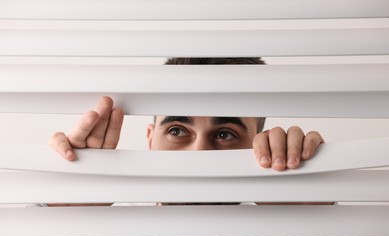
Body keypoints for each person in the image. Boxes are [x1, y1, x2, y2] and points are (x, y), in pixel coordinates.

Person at [50, 57, 324, 172]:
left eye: (225, 134)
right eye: (177, 130)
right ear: (149, 139)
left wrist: (315, 231)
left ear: (259, 143)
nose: (199, 153)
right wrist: (63, 212)